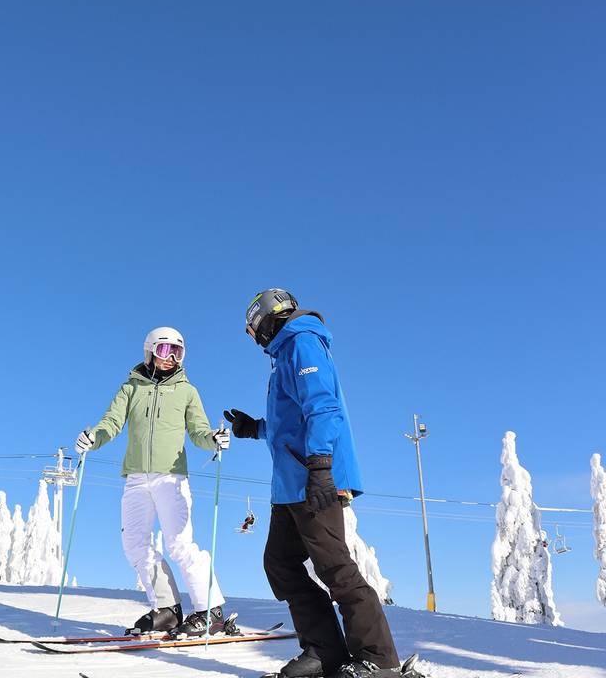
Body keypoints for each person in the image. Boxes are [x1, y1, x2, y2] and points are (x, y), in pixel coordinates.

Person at [225, 289, 422, 678]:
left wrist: (320, 465)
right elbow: (290, 420)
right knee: (280, 564)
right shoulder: (285, 354)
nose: (255, 340)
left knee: (334, 566)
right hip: (290, 485)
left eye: (252, 331)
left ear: (264, 320)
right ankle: (324, 652)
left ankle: (377, 658)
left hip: (313, 477)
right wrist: (255, 429)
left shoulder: (302, 342)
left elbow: (323, 407)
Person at [75, 326, 230, 636]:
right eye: (164, 350)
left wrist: (213, 438)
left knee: (180, 544)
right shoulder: (130, 388)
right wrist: (93, 439)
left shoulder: (188, 391)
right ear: (149, 351)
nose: (171, 357)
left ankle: (210, 609)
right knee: (134, 543)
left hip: (171, 477)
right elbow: (111, 423)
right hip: (135, 477)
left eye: (177, 352)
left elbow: (199, 431)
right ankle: (167, 610)